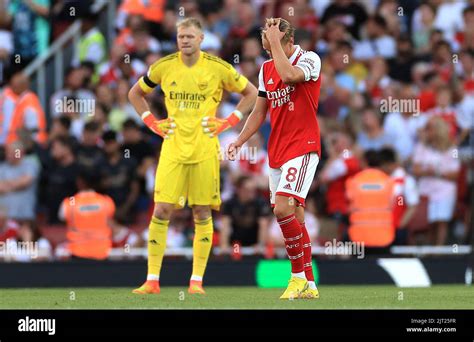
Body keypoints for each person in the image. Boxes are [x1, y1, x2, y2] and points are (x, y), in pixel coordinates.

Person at [128, 17, 257, 295]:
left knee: (201, 211)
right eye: (180, 37)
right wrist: (152, 122)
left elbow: (251, 93)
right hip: (173, 148)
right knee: (162, 209)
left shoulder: (218, 68)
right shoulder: (163, 66)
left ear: (201, 39)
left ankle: (196, 282)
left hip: (205, 150)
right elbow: (135, 93)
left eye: (189, 37)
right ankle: (152, 280)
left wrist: (229, 121)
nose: (184, 41)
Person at [228, 18, 322, 299]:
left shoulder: (310, 59)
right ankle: (310, 283)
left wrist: (276, 43)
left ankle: (295, 278)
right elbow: (259, 111)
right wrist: (240, 140)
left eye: (269, 43)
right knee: (295, 216)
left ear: (287, 40)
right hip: (277, 151)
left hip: (303, 146)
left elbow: (291, 75)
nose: (266, 50)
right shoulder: (266, 69)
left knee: (283, 209)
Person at [412, 116, 461, 245]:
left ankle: (439, 253)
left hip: (445, 190)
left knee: (441, 221)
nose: (427, 131)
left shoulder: (453, 148)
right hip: (426, 189)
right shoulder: (421, 146)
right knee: (428, 222)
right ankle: (428, 253)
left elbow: (455, 174)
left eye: (430, 128)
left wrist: (437, 172)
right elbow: (415, 169)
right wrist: (428, 172)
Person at [59, 171, 114, 260]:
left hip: (77, 254)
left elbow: (62, 218)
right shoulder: (106, 201)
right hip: (102, 253)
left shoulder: (68, 203)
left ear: (80, 182)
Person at [219, 175, 271, 254]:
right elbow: (225, 225)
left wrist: (260, 245)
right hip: (235, 242)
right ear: (239, 189)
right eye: (248, 190)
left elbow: (263, 225)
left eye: (253, 190)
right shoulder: (230, 203)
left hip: (254, 241)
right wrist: (224, 245)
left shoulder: (260, 203)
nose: (251, 193)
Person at [0, 141, 40, 221]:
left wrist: (6, 184)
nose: (8, 155)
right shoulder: (3, 167)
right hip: (4, 217)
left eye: (11, 152)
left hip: (24, 215)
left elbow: (25, 182)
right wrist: (17, 183)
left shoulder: (30, 164)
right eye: (7, 152)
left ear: (20, 152)